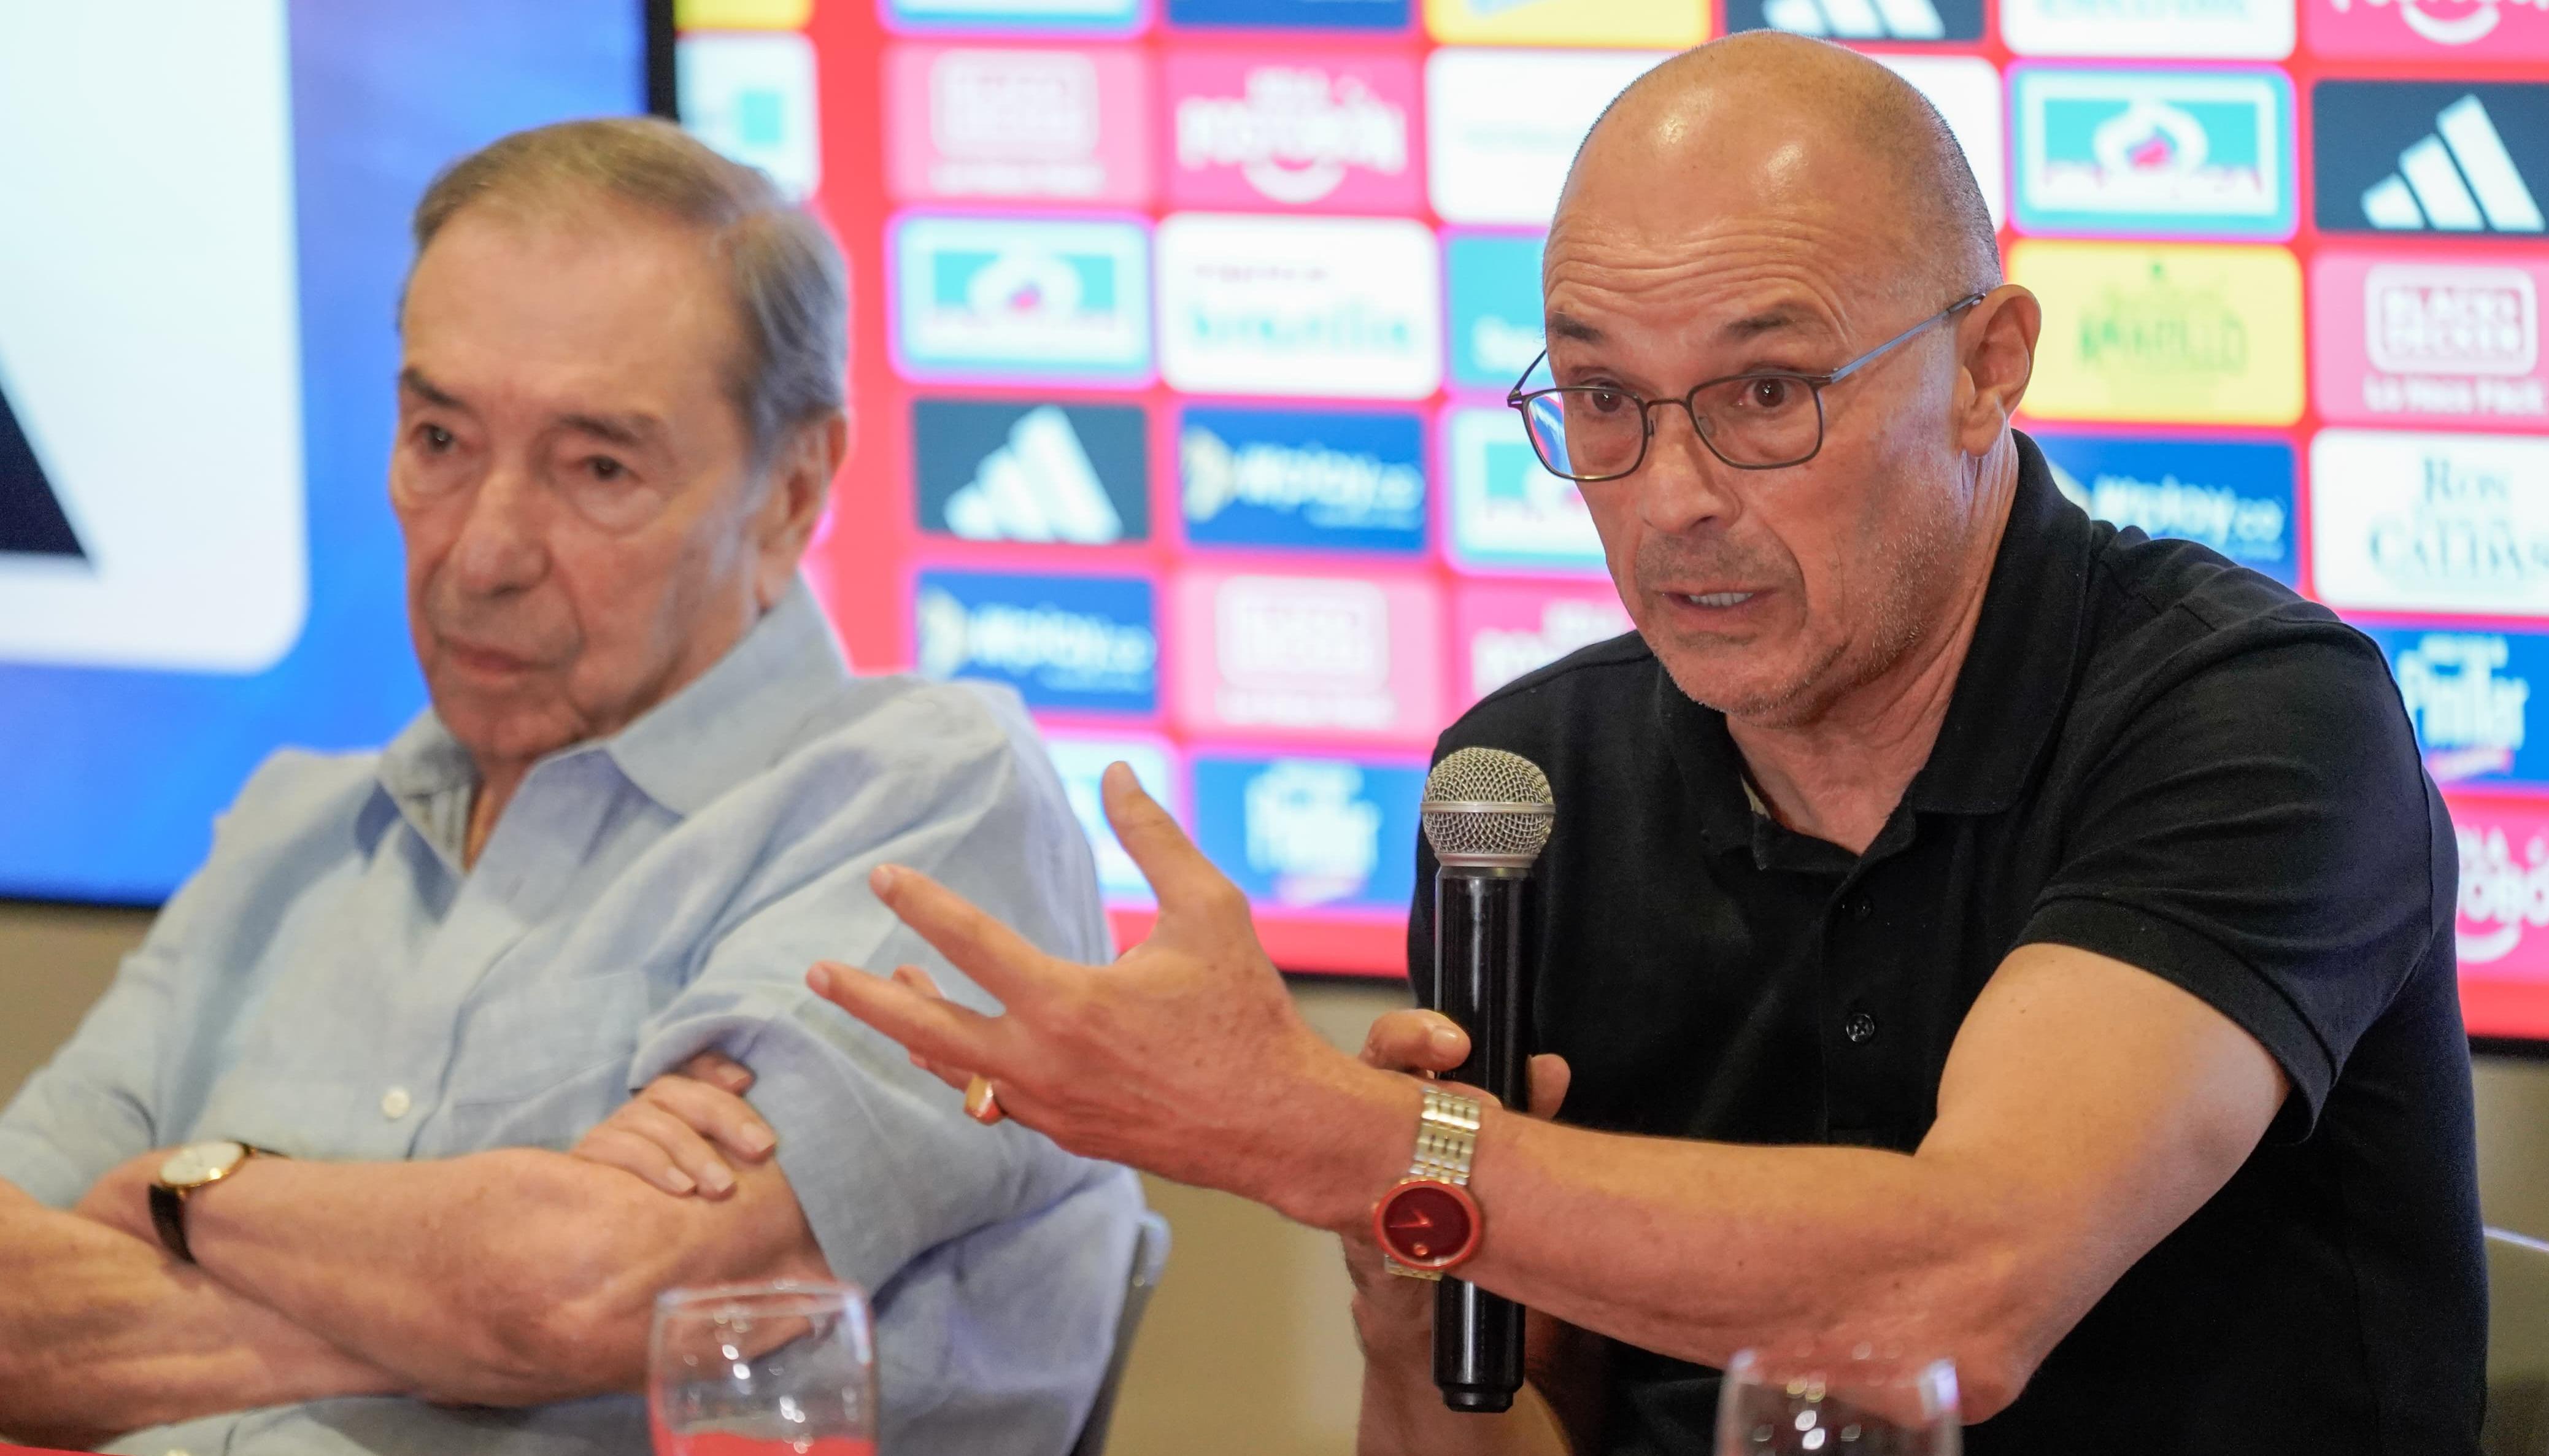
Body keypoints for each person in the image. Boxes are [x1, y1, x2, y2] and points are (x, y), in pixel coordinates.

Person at [804, 34, 2485, 1456]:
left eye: (1765, 394)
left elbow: (1959, 1288)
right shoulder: (1526, 783)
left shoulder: (2258, 711)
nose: (1670, 495)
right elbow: (1496, 1421)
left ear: (1986, 368)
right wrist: (1417, 1302)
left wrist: (1329, 1132)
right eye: (1602, 400)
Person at [0, 118, 1141, 1456]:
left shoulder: (918, 801)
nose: (482, 554)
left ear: (793, 489)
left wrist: (188, 1197)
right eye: (439, 437)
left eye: (598, 467)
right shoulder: (291, 830)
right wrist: (456, 1311)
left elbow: (591, 1289)